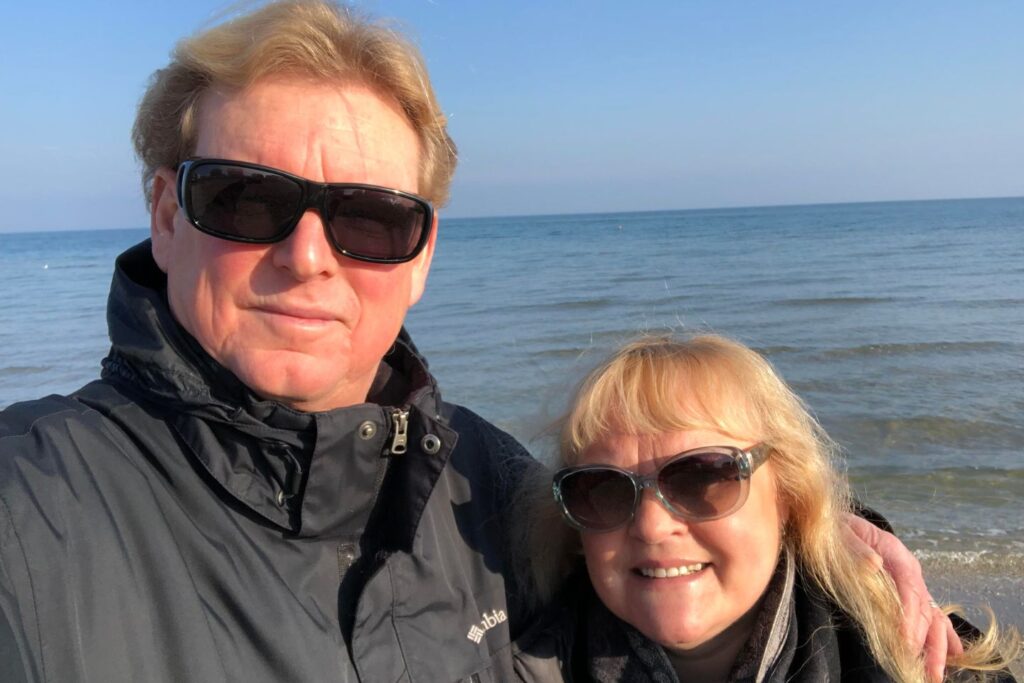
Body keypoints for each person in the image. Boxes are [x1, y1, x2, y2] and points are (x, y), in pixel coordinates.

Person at [0, 2, 959, 681]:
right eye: (245, 199)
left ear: (419, 256)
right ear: (165, 212)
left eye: (369, 220)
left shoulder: (481, 483)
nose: (307, 258)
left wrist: (835, 543)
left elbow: (658, 538)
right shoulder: (27, 514)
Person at [513, 335, 1020, 682]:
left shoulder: (928, 664)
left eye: (704, 476)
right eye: (602, 489)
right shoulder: (507, 661)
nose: (651, 524)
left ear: (790, 497)